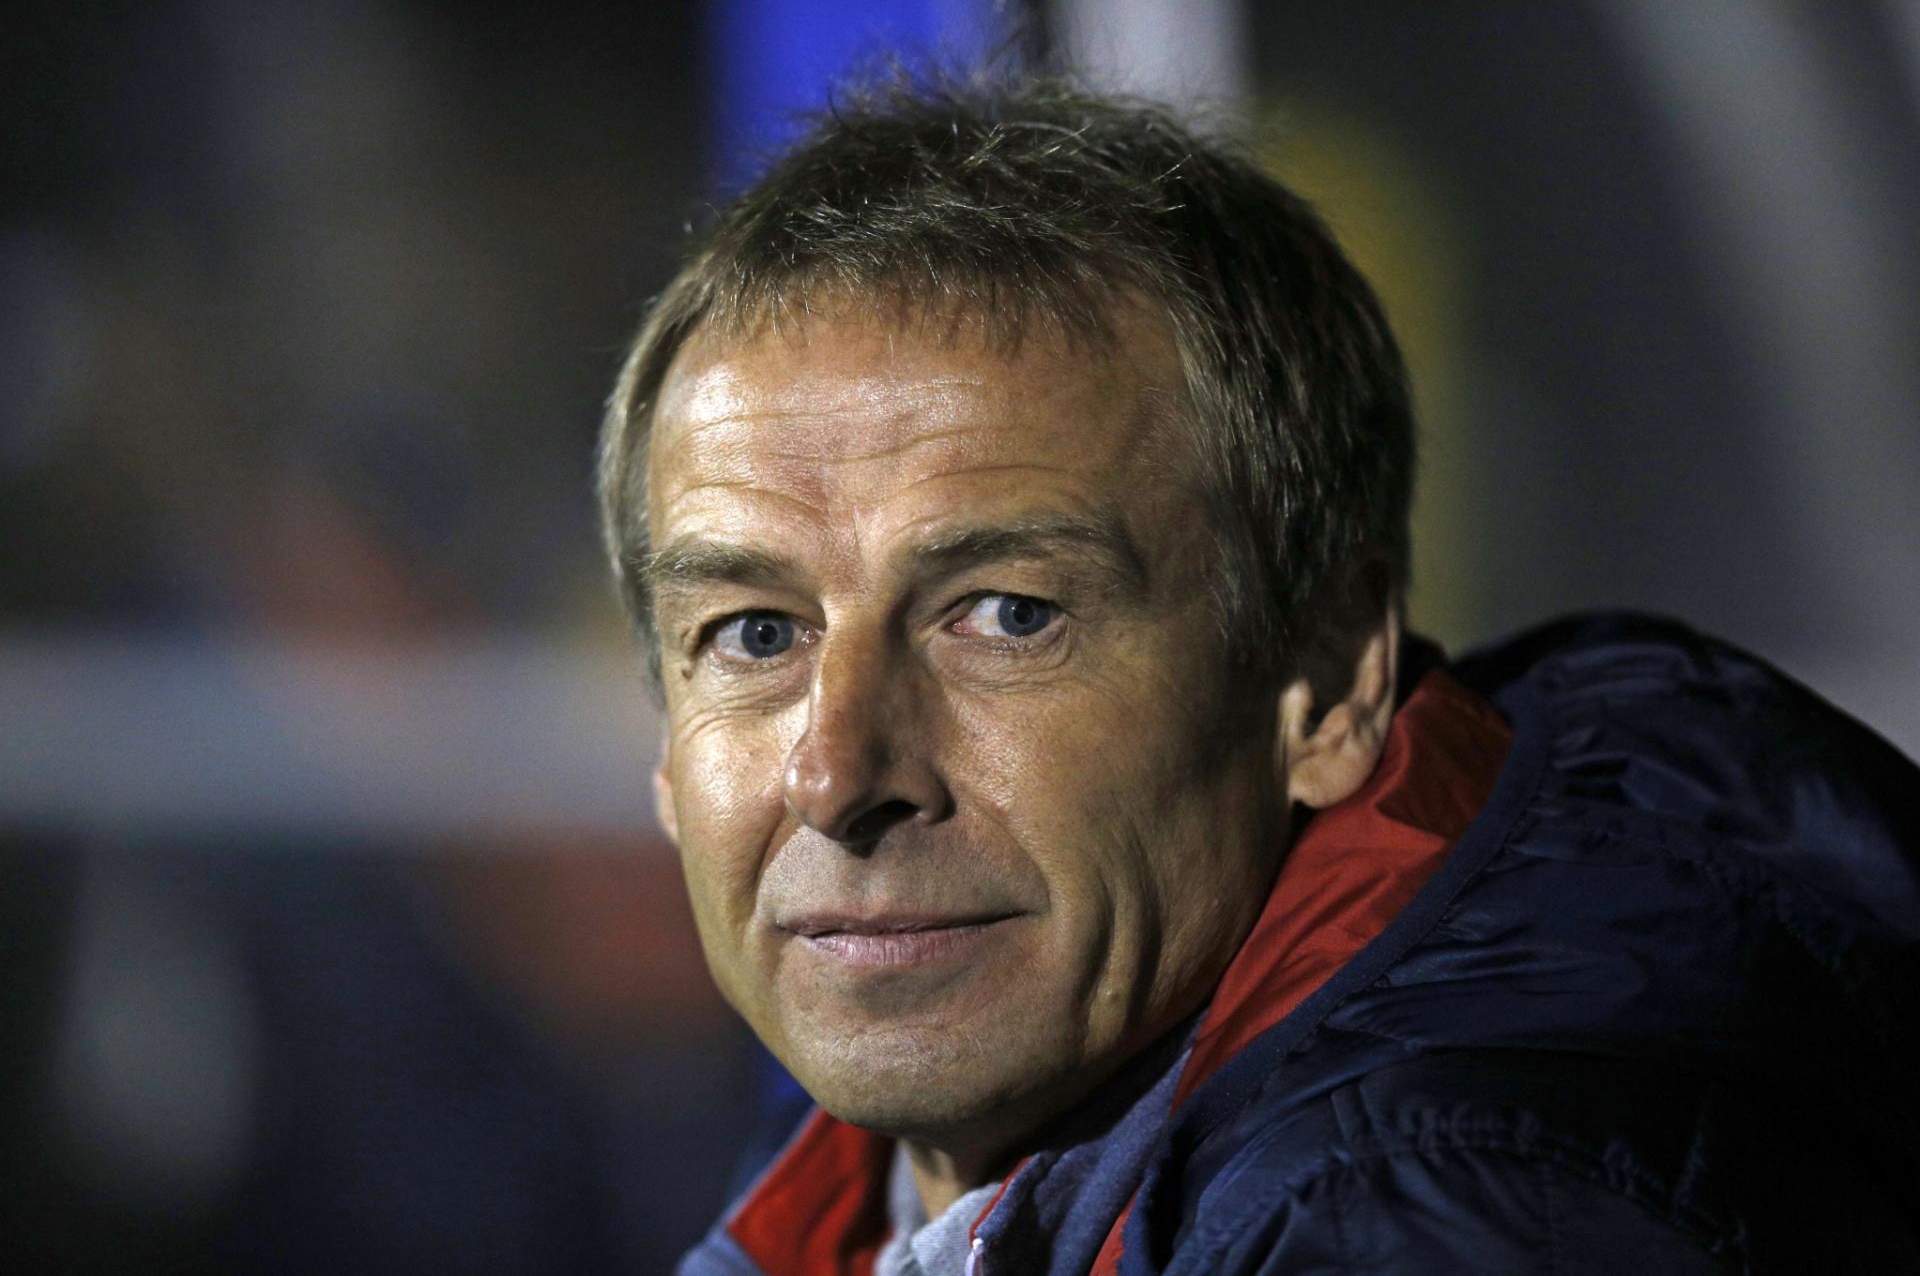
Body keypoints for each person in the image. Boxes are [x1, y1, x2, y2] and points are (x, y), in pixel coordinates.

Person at [594, 77, 1920, 1275]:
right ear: (665, 746)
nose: (836, 775)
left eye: (1006, 615)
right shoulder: (924, 1107)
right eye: (755, 633)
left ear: (1330, 685)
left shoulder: (1437, 1220)